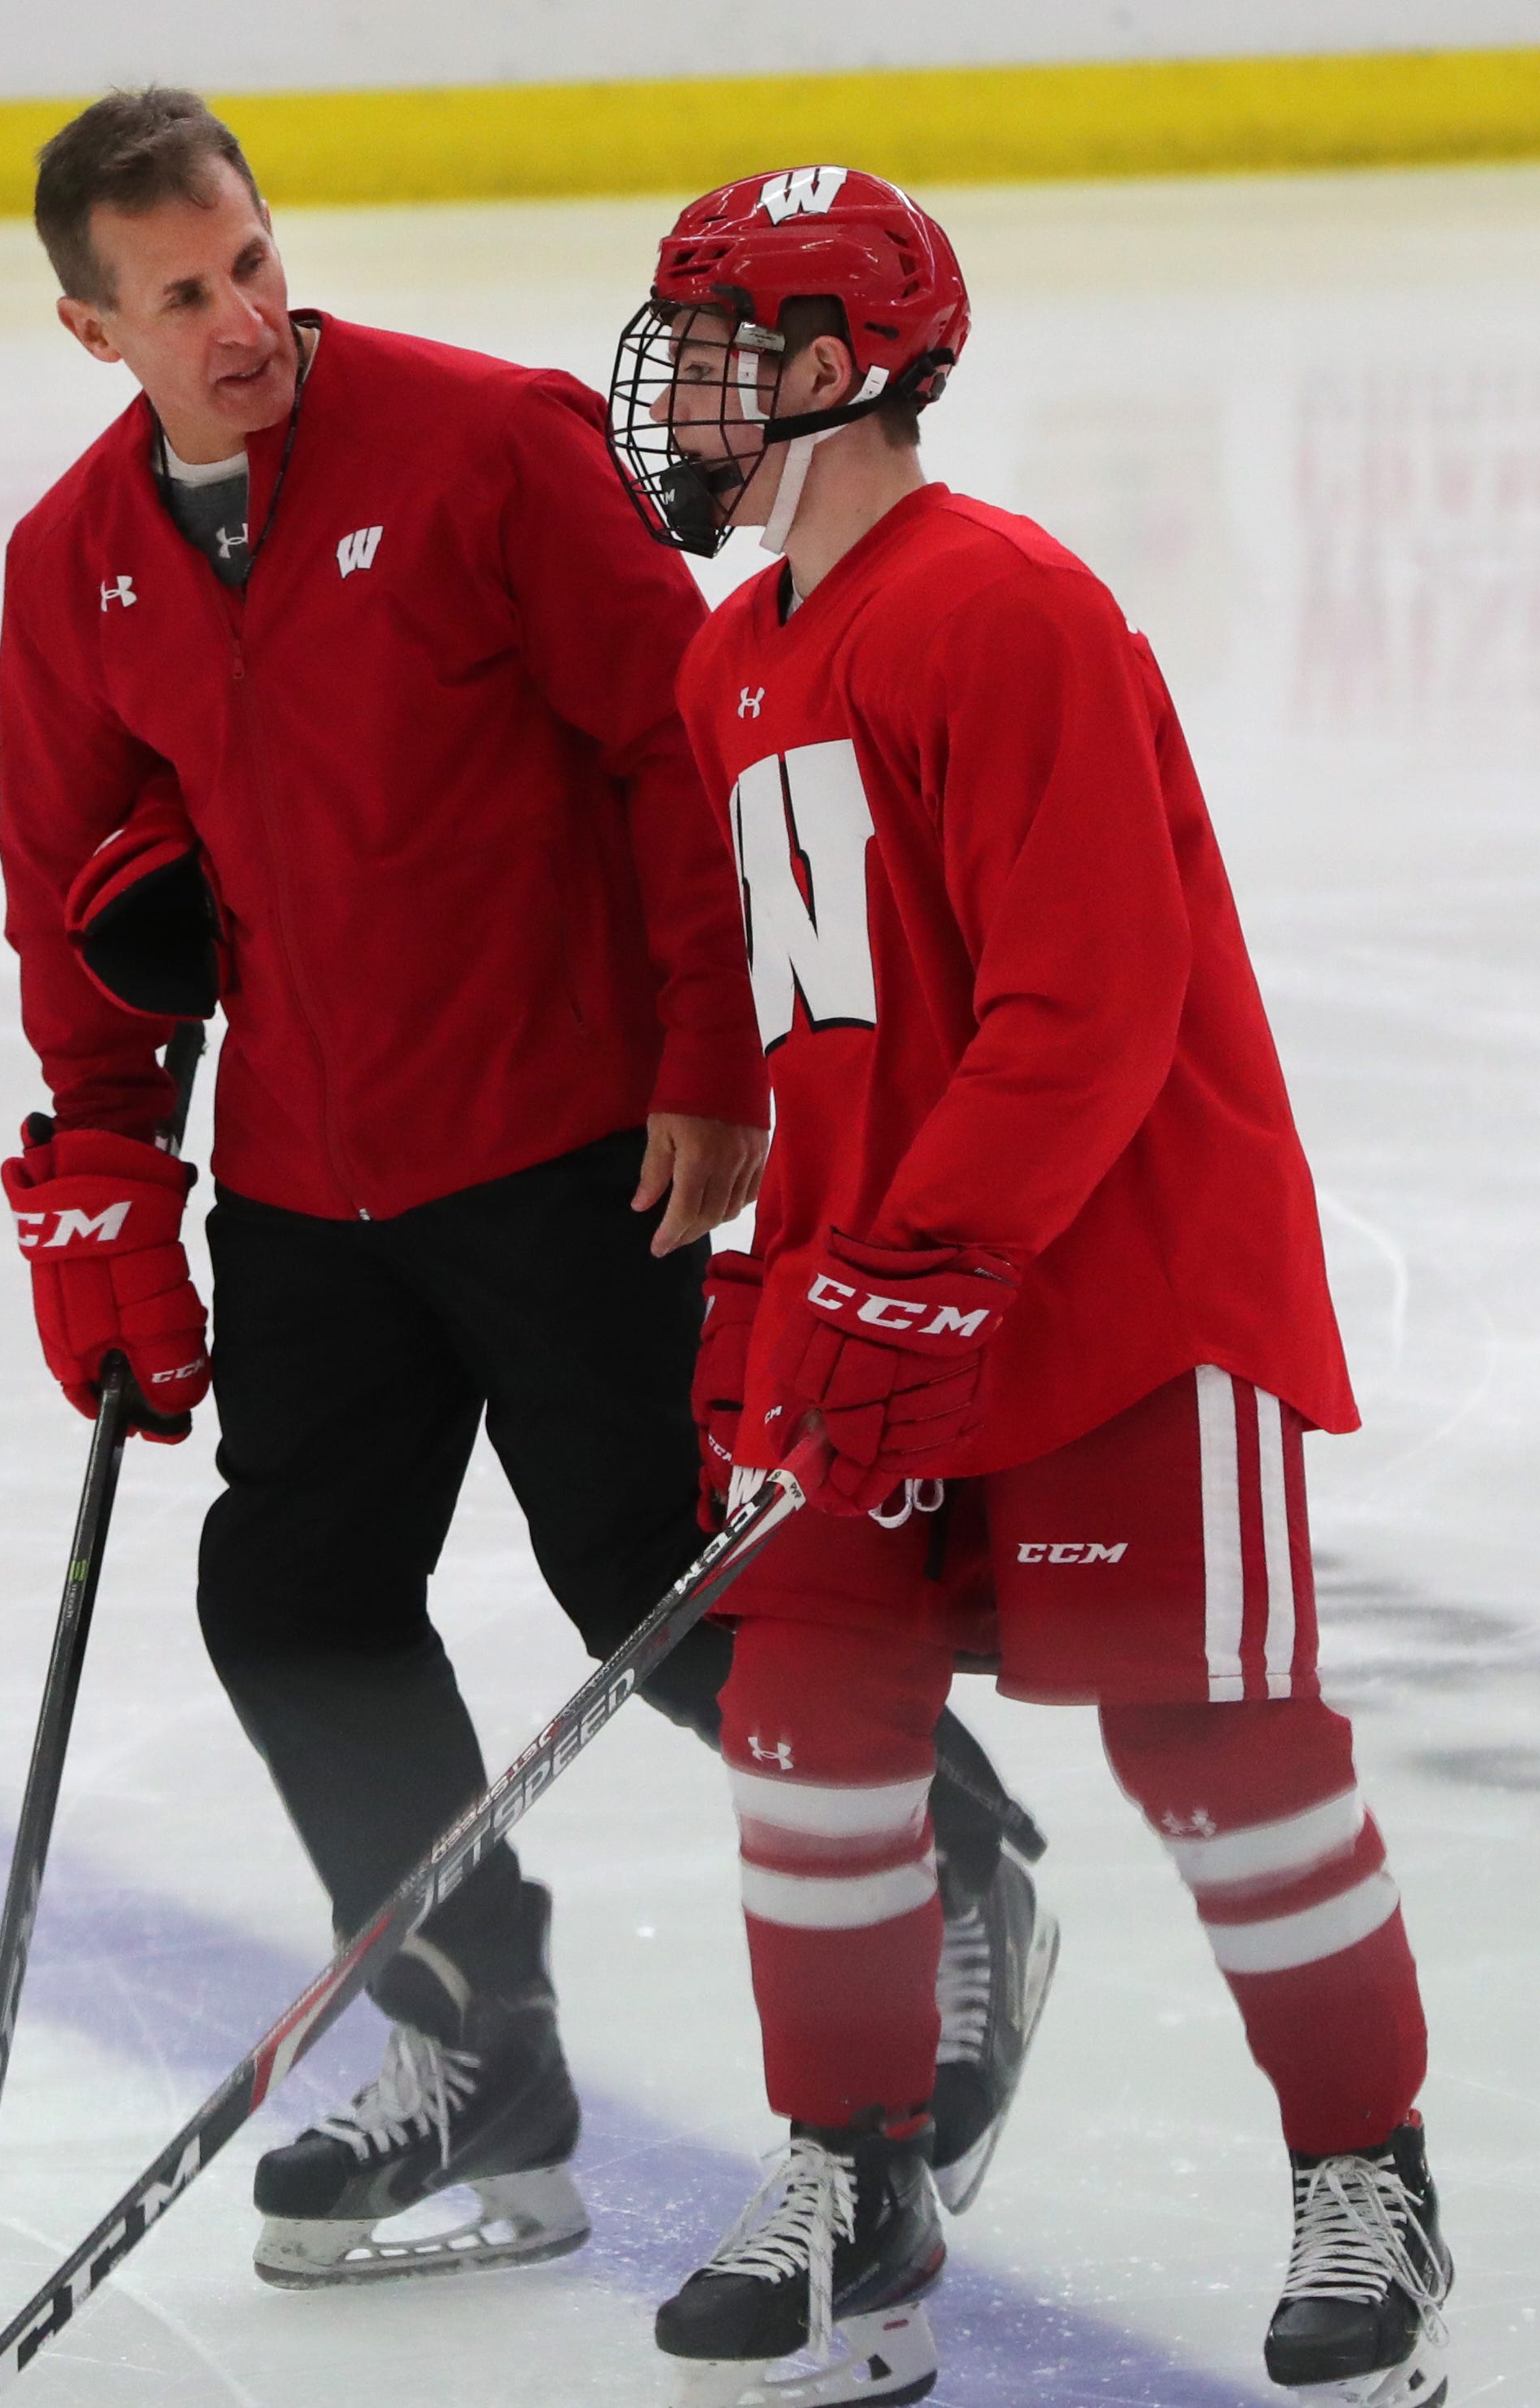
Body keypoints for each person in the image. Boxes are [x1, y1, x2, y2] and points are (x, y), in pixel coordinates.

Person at [0, 92, 1048, 2293]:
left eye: (255, 261)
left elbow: (685, 752)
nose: (244, 317)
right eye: (184, 294)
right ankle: (479, 2044)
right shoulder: (69, 568)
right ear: (94, 327)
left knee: (655, 1587)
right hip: (306, 1176)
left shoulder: (483, 446)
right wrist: (105, 1171)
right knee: (292, 1602)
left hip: (582, 1144)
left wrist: (711, 1057)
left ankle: (958, 1872)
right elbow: (69, 895)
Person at [607, 167, 1450, 2408]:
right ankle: (855, 2183)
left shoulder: (1003, 610)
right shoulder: (732, 654)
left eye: (713, 344)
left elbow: (1088, 1002)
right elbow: (814, 1020)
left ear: (830, 368)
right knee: (805, 1726)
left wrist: (931, 1261)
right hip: (885, 1282)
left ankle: (1368, 2178)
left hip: (1113, 1282)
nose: (674, 387)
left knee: (1220, 1745)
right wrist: (794, 1276)